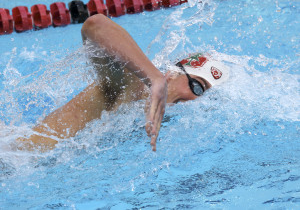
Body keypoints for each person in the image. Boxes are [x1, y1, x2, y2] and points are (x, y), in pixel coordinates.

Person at [18, 14, 229, 152]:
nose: (196, 100)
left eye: (206, 96)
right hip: (17, 160)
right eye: (198, 87)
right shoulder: (132, 86)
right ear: (173, 74)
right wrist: (153, 78)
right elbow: (96, 25)